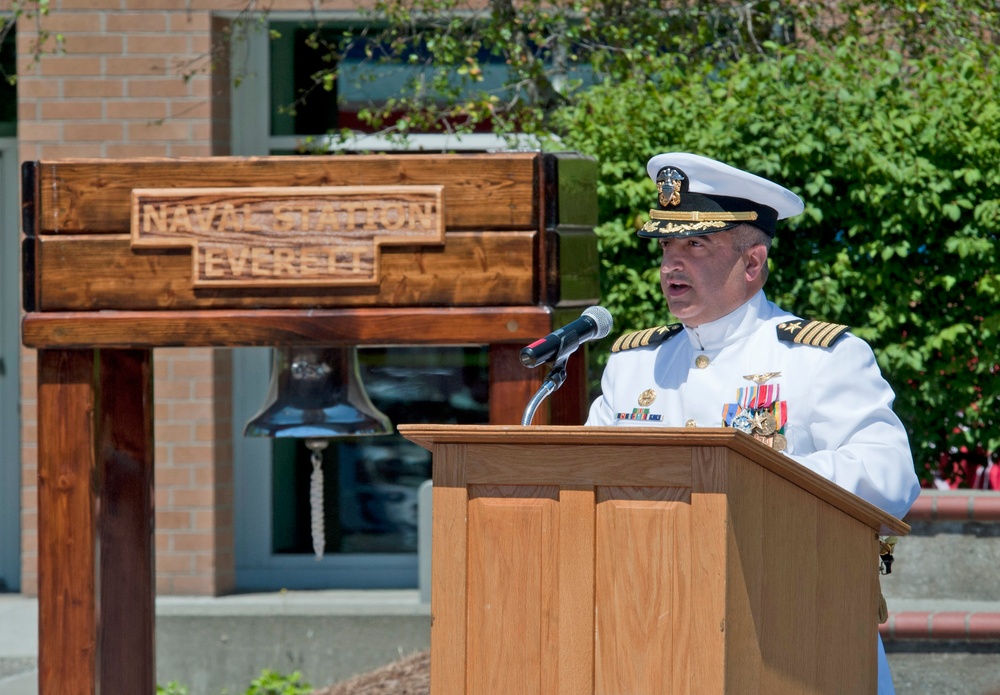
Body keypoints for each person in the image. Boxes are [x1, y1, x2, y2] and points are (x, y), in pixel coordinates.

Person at [585, 152, 921, 694]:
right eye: (667, 246)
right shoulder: (631, 366)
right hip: (652, 634)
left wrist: (752, 477)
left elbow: (889, 479)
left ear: (752, 262)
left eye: (695, 245)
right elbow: (586, 486)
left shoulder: (820, 356)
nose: (672, 263)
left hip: (792, 638)